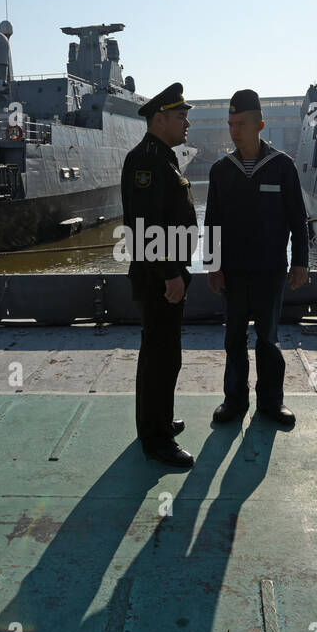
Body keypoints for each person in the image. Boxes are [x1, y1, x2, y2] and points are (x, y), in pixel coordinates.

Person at [205, 89, 308, 427]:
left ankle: (270, 403)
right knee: (233, 339)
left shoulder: (282, 167)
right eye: (231, 124)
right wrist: (212, 265)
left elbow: (297, 219)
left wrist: (301, 262)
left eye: (242, 124)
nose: (235, 130)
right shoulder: (222, 170)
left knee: (268, 340)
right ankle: (234, 402)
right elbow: (212, 221)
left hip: (270, 271)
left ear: (260, 125)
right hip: (233, 272)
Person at [121, 82, 197, 467]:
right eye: (180, 117)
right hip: (159, 278)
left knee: (164, 355)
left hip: (166, 273)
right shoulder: (148, 161)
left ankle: (158, 421)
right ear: (159, 119)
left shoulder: (162, 157)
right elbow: (147, 225)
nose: (186, 123)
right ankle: (156, 439)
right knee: (161, 356)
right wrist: (171, 274)